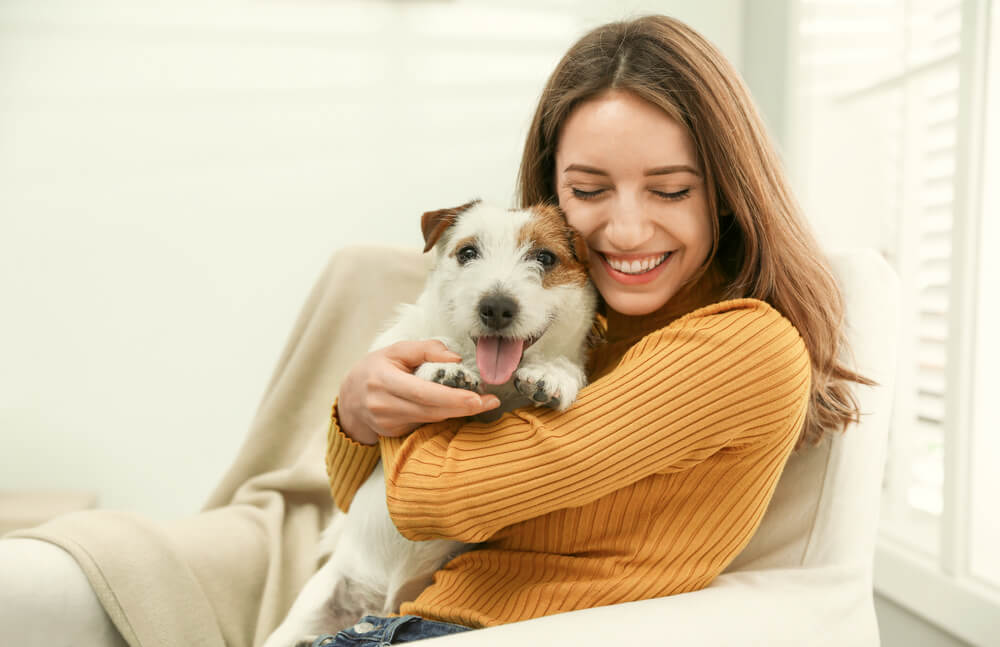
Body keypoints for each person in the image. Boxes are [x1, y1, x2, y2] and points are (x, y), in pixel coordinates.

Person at [0, 14, 869, 647]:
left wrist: (388, 403)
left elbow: (435, 500)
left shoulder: (741, 345)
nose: (627, 230)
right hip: (406, 608)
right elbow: (356, 495)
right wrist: (354, 411)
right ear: (549, 192)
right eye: (590, 188)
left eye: (670, 190)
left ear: (726, 190)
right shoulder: (582, 319)